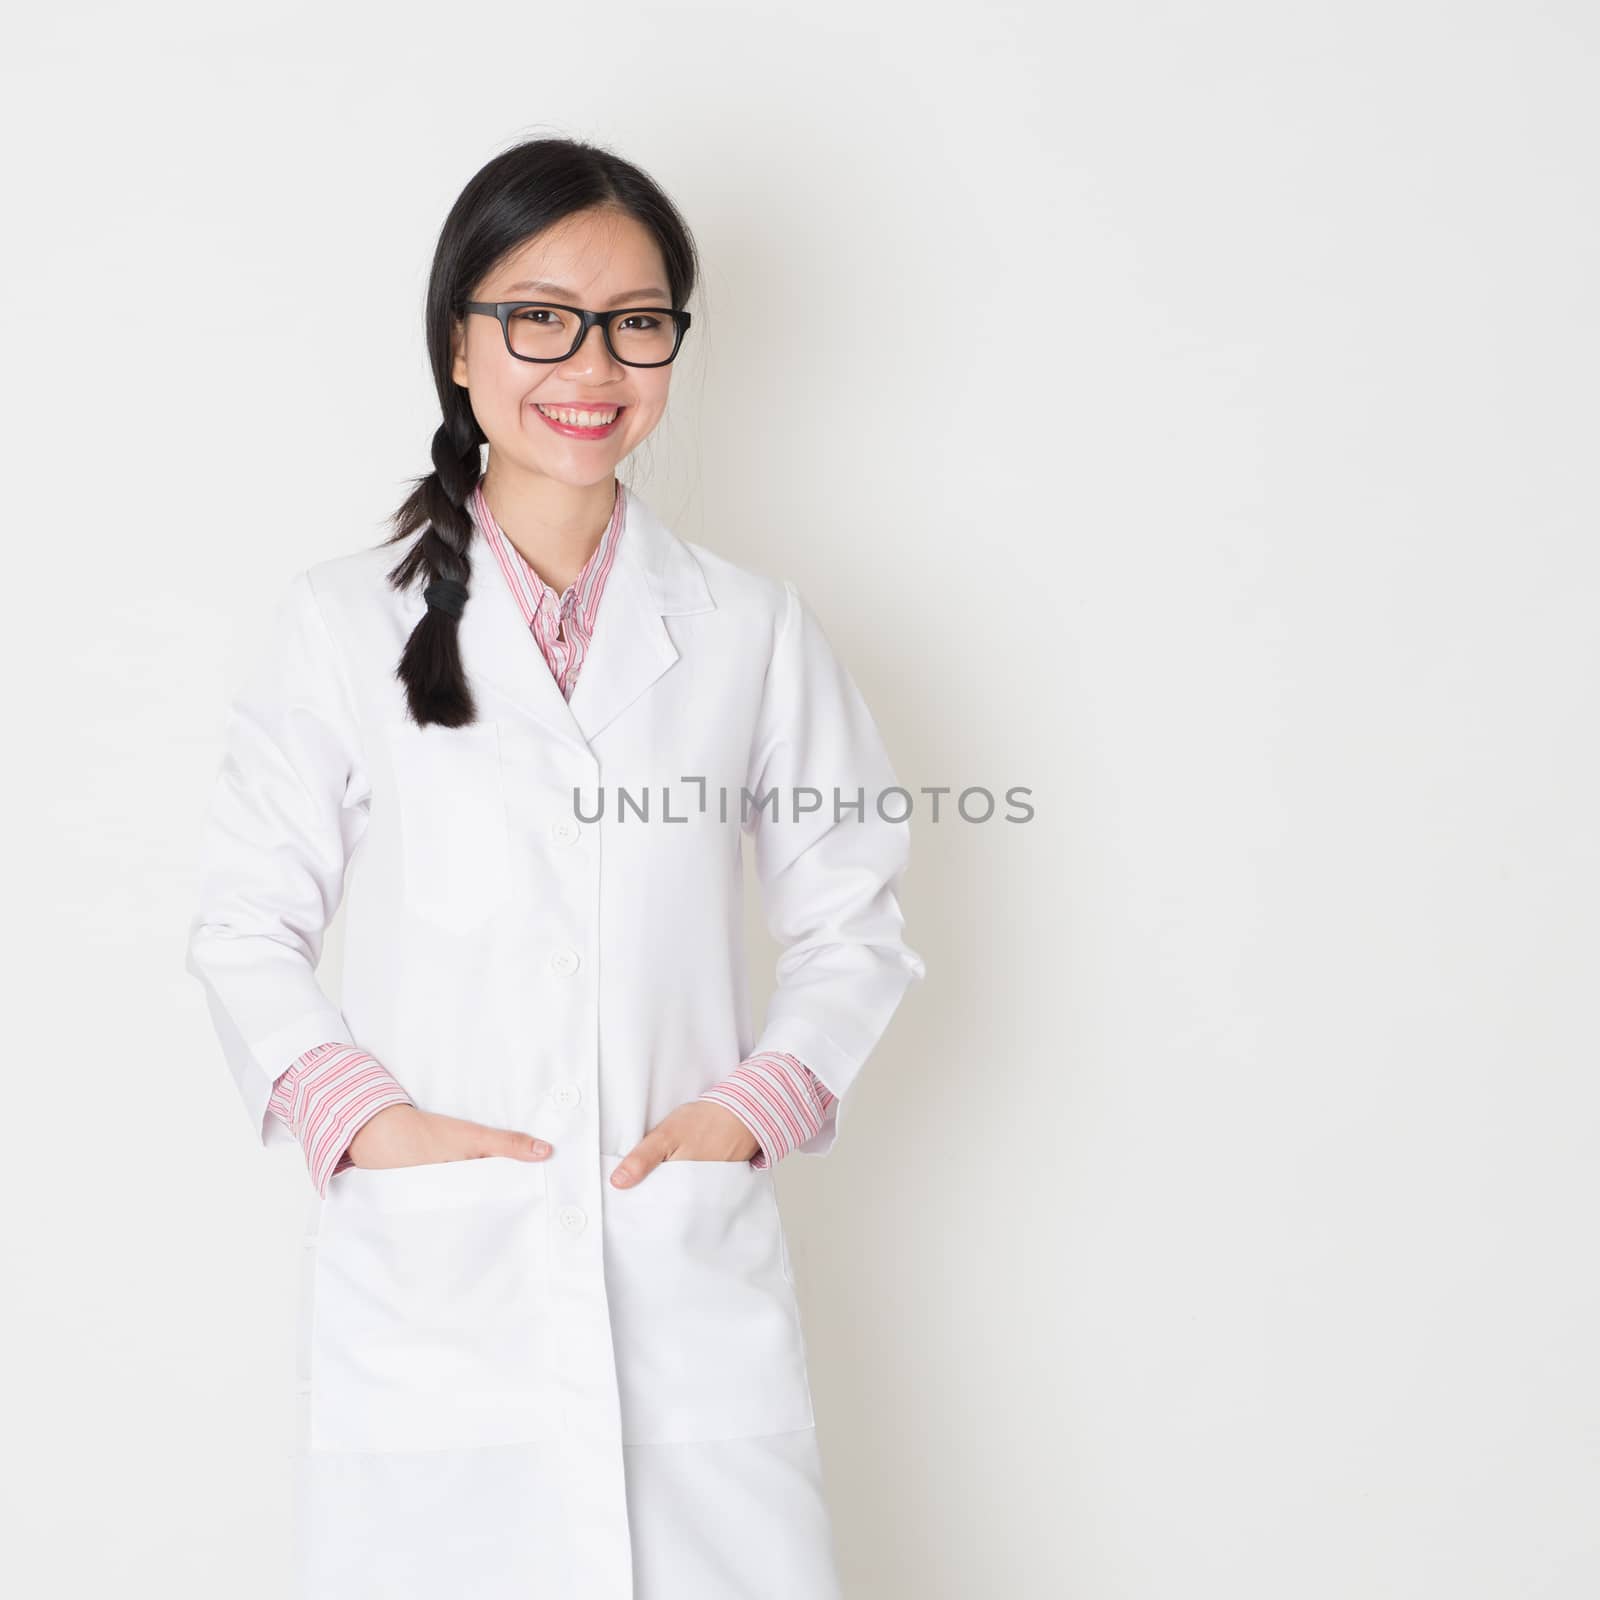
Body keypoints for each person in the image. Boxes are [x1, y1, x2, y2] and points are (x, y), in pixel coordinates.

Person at [185, 134, 925, 1600]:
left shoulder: (750, 629)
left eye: (637, 322)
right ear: (459, 343)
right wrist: (370, 1126)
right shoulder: (343, 626)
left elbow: (856, 916)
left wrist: (744, 1113)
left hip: (682, 1271)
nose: (592, 364)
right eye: (540, 316)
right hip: (438, 1286)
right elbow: (244, 925)